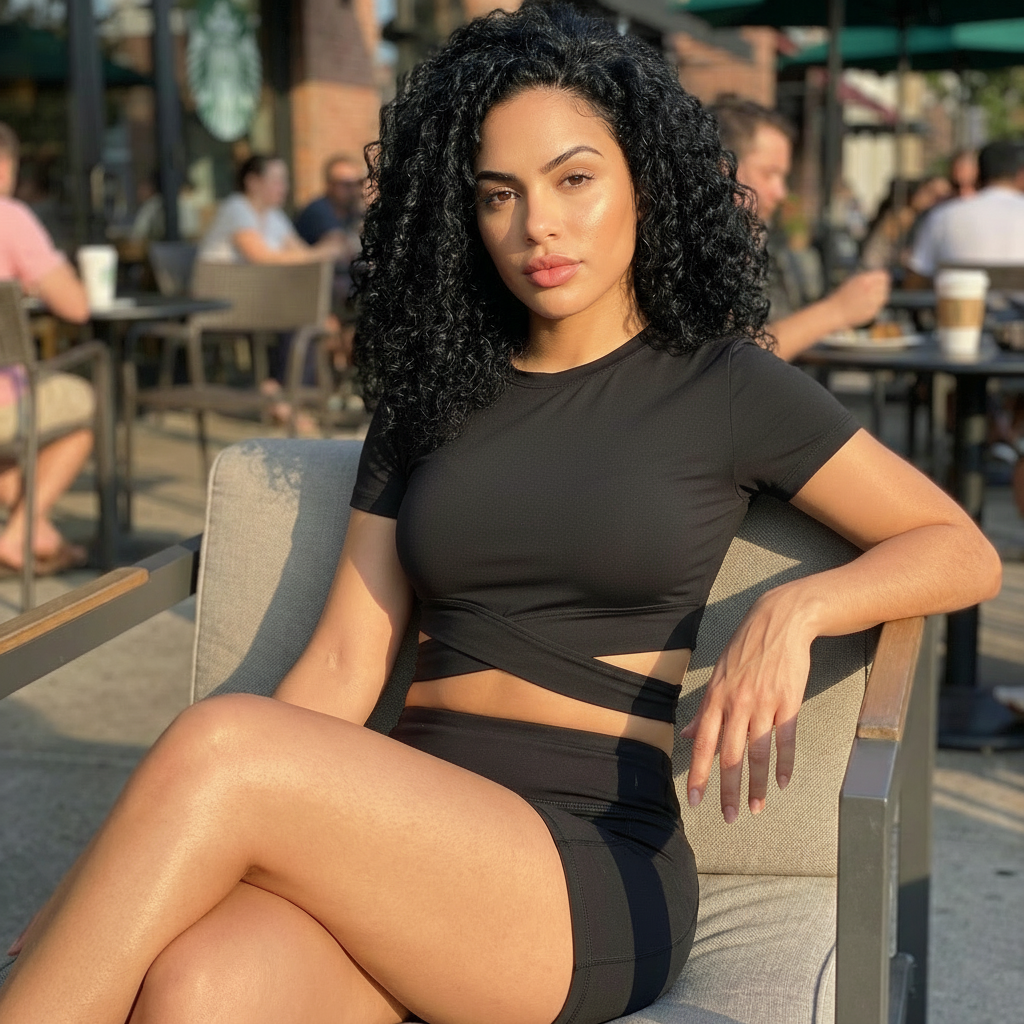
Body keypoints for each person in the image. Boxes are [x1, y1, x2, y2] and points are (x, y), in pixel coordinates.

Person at [0, 6, 1001, 1023]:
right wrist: (102, 886)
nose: (538, 229)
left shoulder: (722, 384)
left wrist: (800, 610)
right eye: (497, 195)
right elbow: (347, 661)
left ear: (643, 181)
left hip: (583, 865)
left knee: (224, 745)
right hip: (397, 839)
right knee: (198, 986)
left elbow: (959, 548)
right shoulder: (434, 389)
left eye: (574, 180)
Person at [710, 97, 891, 361]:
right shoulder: (700, 249)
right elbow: (738, 360)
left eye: (784, 177)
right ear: (723, 168)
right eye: (769, 173)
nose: (781, 193)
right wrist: (838, 311)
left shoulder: (752, 241)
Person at [0, 121, 93, 577]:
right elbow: (75, 307)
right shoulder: (10, 217)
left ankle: (38, 535)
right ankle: (18, 537)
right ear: (5, 166)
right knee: (82, 414)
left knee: (15, 443)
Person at [906, 140, 1024, 282]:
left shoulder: (943, 216)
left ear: (977, 174)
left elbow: (916, 279)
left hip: (962, 303)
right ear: (1021, 175)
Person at [198, 154, 342, 265]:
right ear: (252, 182)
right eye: (277, 181)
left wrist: (327, 248)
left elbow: (299, 251)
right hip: (223, 292)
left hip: (258, 290)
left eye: (285, 181)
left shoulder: (274, 214)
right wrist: (323, 253)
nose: (284, 188)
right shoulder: (236, 207)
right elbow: (261, 258)